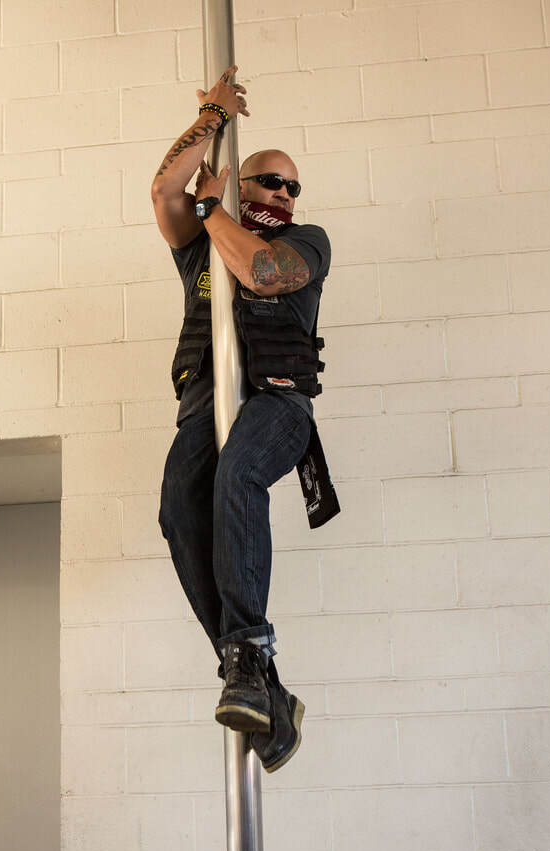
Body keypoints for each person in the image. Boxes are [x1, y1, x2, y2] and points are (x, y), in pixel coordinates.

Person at [151, 66, 336, 773]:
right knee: (178, 507)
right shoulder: (200, 242)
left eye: (293, 187)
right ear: (239, 183)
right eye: (271, 182)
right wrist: (211, 117)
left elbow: (261, 272)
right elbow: (164, 190)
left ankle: (251, 654)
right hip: (206, 403)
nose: (284, 195)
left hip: (278, 404)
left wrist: (212, 210)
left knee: (238, 474)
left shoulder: (306, 241)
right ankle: (260, 684)